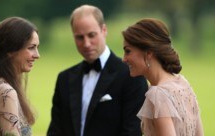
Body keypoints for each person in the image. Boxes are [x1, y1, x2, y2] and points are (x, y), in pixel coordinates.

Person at [47, 4, 148, 136]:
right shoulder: (64, 78)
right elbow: (55, 130)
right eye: (79, 37)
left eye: (92, 35)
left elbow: (132, 132)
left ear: (104, 30)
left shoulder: (131, 75)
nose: (86, 43)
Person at [122, 18, 204, 136]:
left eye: (128, 51)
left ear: (148, 53)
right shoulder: (183, 83)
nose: (124, 59)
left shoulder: (157, 94)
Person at [0, 17, 40, 135]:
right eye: (31, 48)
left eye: (37, 48)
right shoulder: (5, 92)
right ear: (10, 50)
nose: (37, 55)